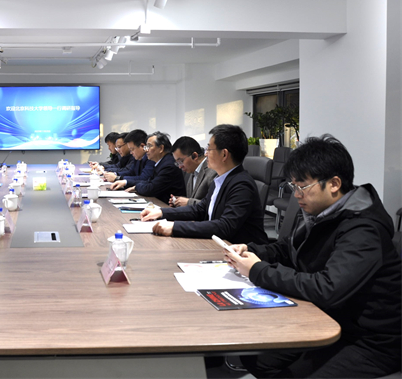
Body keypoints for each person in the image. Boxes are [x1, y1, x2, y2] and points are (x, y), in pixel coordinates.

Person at [224, 135, 401, 378]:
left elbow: (327, 288)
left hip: (371, 339)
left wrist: (257, 270)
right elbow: (289, 248)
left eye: (302, 187)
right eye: (293, 186)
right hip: (328, 317)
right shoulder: (323, 212)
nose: (296, 195)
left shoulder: (364, 229)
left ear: (334, 184)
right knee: (258, 357)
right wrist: (252, 251)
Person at [141, 124, 268, 245]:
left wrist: (174, 227)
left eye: (209, 149)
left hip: (243, 252)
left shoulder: (241, 185)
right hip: (220, 245)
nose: (205, 154)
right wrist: (161, 212)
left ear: (224, 154)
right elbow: (200, 209)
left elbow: (225, 226)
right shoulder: (220, 179)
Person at [122, 131, 186, 204]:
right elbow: (149, 182)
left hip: (169, 206)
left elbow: (150, 189)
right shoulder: (161, 162)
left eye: (149, 146)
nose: (146, 150)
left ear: (161, 148)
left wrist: (136, 187)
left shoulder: (168, 165)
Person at [169, 136, 217, 207]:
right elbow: (193, 199)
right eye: (177, 163)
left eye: (181, 161)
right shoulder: (192, 171)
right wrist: (179, 201)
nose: (180, 166)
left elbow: (212, 205)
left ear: (194, 156)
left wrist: (188, 202)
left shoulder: (212, 172)